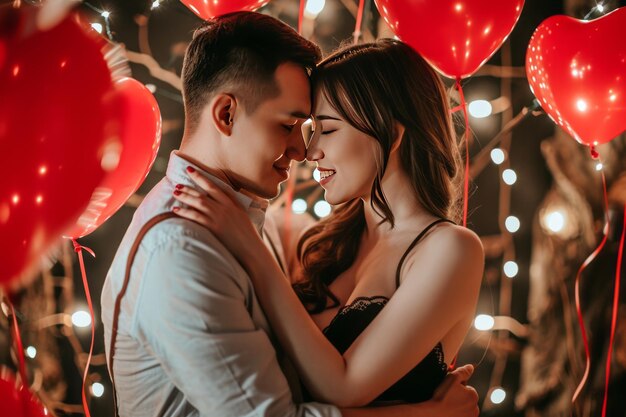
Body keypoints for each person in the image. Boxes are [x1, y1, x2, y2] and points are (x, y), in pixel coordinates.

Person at [101, 12, 478, 417]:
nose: (306, 150)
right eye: (292, 125)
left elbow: (330, 386)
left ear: (392, 131)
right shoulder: (188, 245)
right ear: (226, 114)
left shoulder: (446, 248)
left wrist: (254, 252)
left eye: (324, 129)